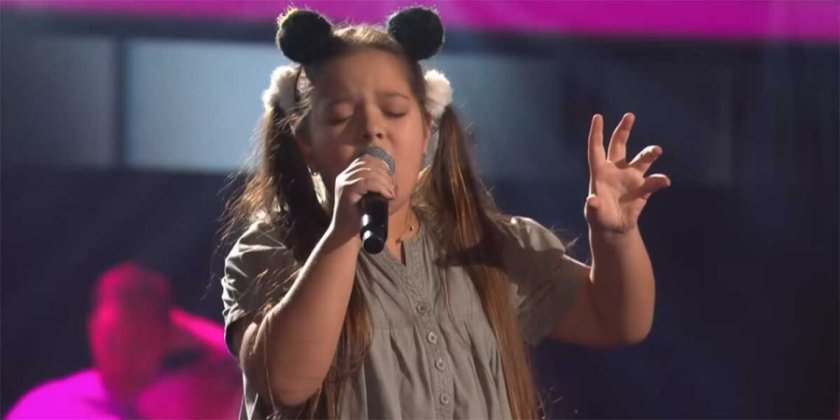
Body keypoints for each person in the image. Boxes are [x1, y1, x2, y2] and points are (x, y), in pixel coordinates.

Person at [221, 6, 671, 419]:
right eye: (341, 117)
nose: (372, 128)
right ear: (307, 144)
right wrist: (342, 234)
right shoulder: (270, 250)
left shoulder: (484, 245)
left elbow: (617, 319)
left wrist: (616, 237)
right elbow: (285, 381)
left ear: (426, 132)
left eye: (394, 111)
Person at [8, 262, 242, 419]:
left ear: (167, 338)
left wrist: (190, 326)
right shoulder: (50, 406)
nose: (122, 359)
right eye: (112, 342)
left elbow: (256, 370)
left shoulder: (180, 400)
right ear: (92, 330)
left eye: (137, 345)